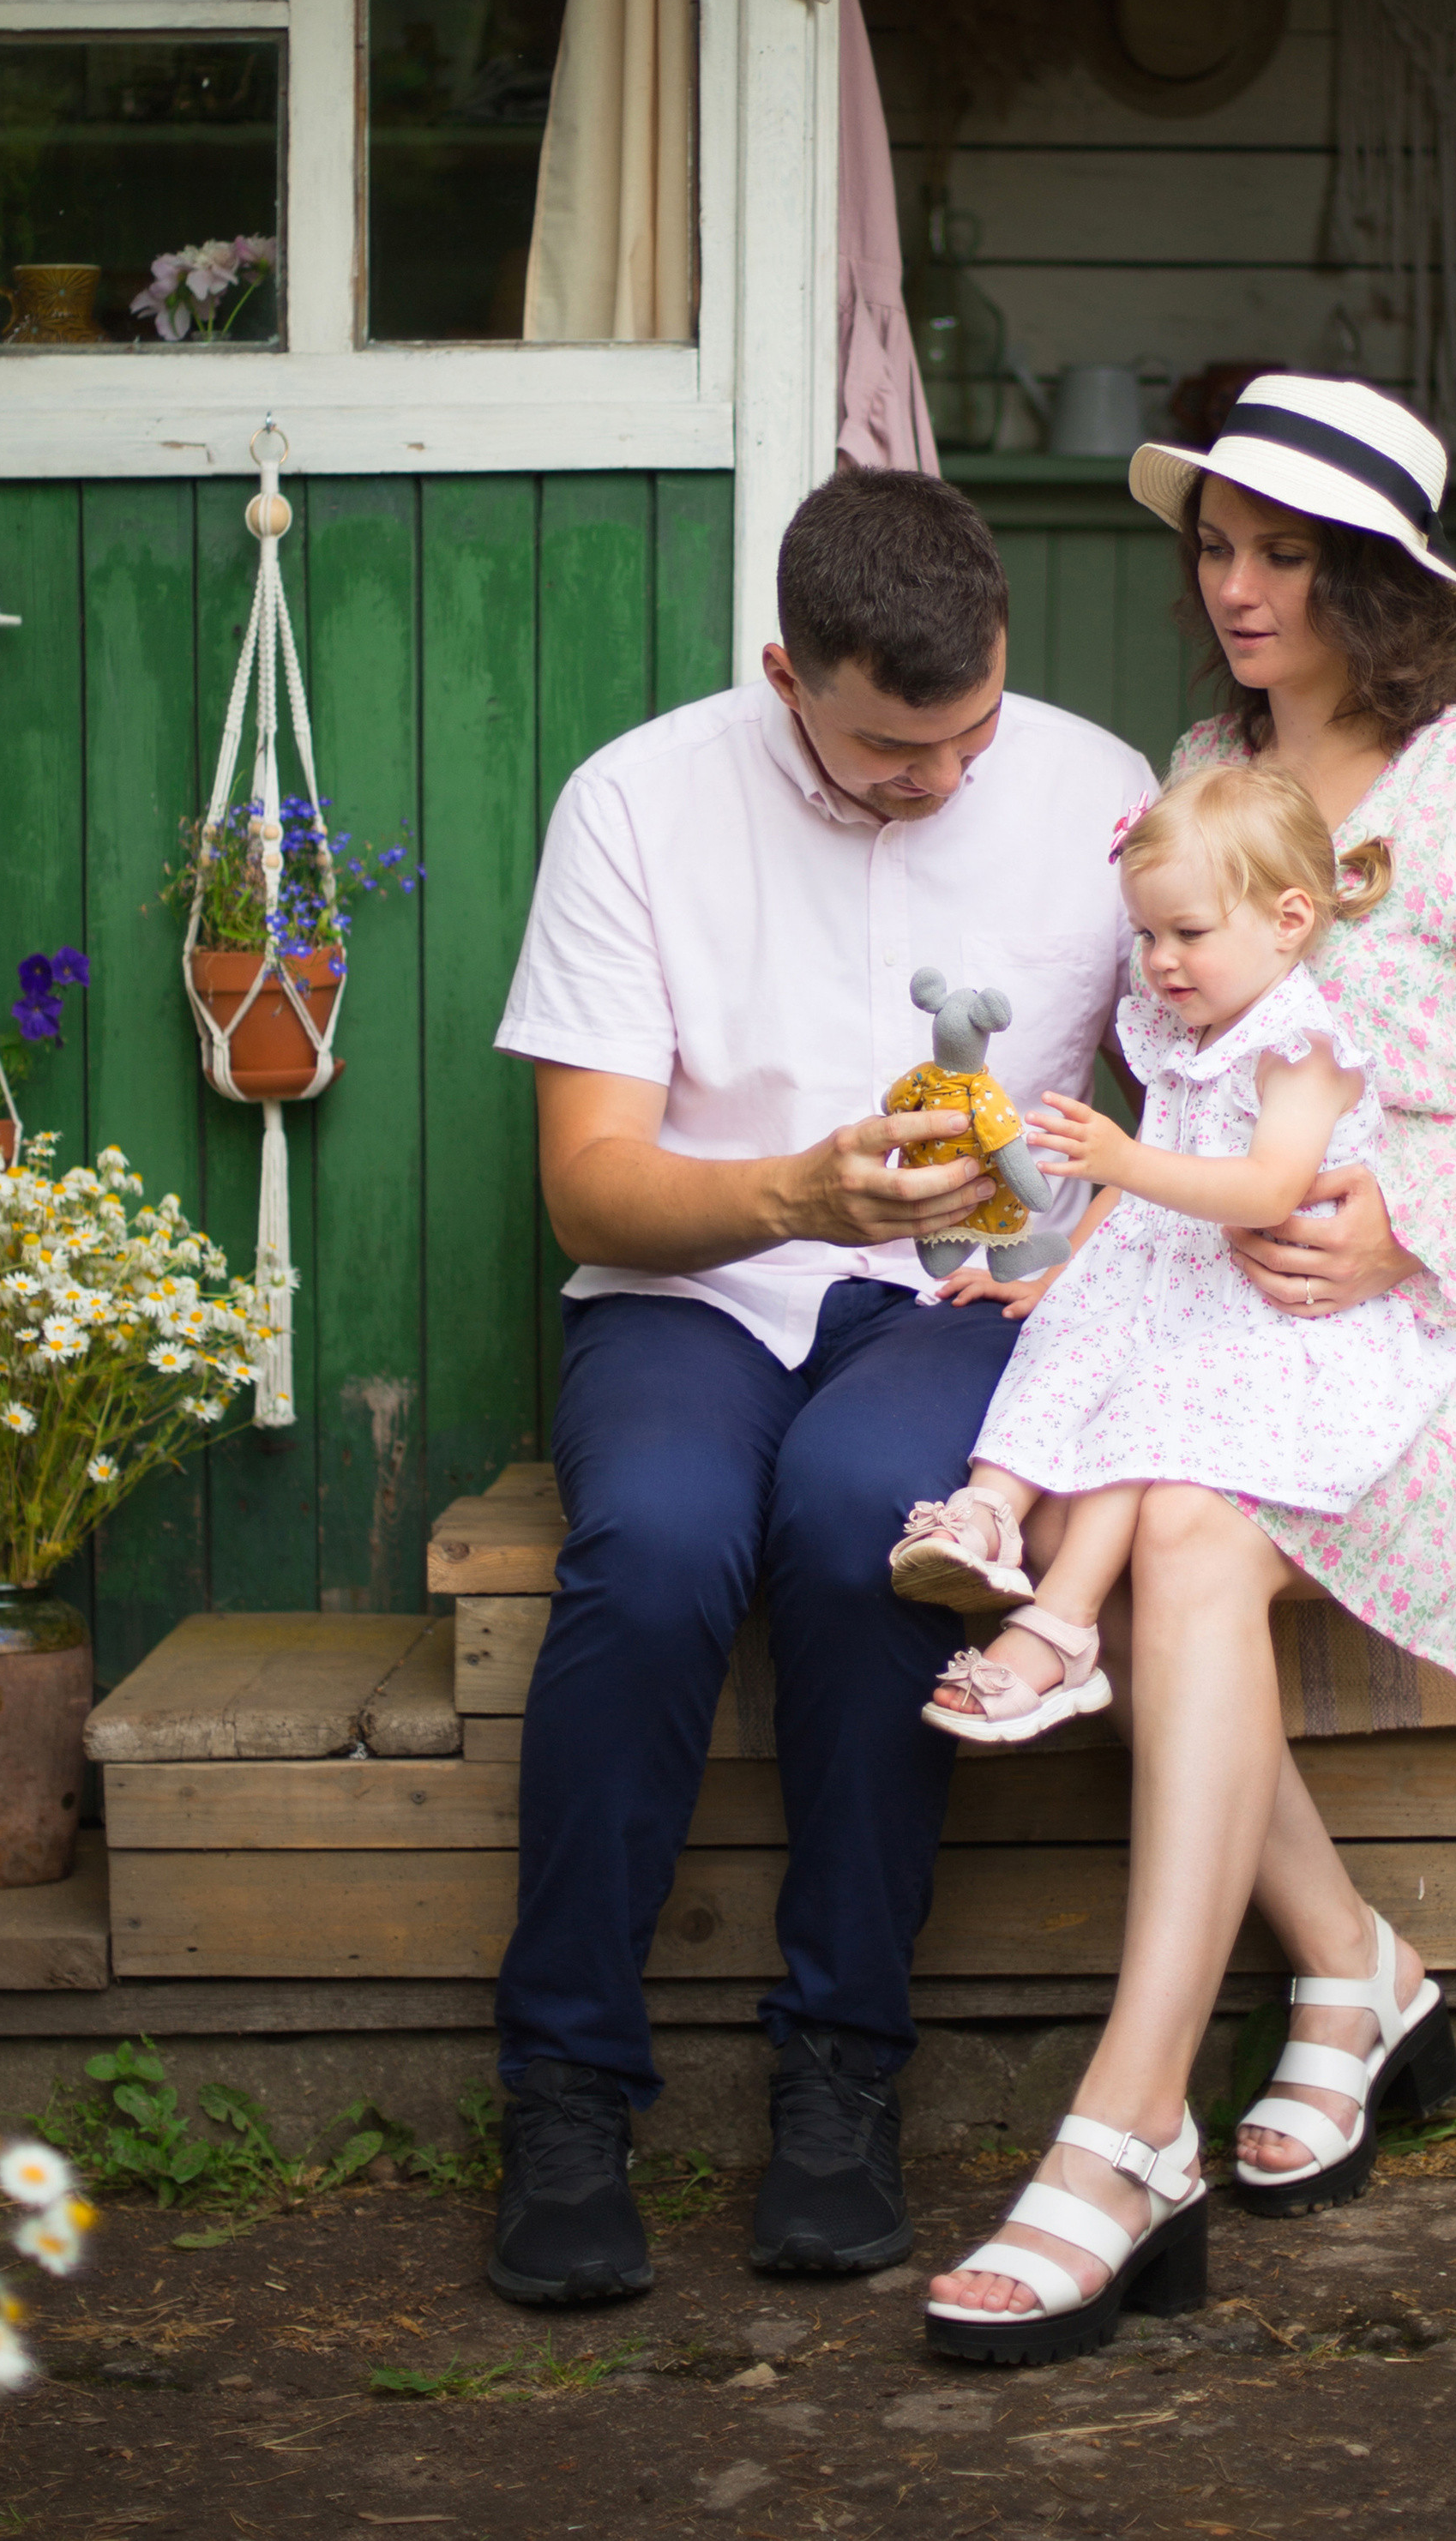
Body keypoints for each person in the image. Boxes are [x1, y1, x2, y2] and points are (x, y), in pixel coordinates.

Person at [924, 376, 1456, 2365]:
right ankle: (1342, 1965)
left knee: (1178, 1525)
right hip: (1218, 1308)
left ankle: (1125, 2123)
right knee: (1152, 1497)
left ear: (1375, 581)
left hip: (1453, 1335)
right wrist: (1068, 1244)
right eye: (1216, 548)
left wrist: (1403, 1214)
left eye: (1281, 554)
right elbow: (1167, 1066)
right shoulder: (1205, 767)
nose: (1233, 586)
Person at [486, 467, 1153, 2309]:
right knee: (653, 1543)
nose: (939, 777)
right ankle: (565, 2091)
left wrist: (1077, 1244)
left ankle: (841, 2073)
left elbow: (1196, 1102)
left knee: (877, 1523)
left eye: (969, 734)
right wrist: (794, 1193)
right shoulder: (637, 801)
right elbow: (587, 1183)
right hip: (692, 1287)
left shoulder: (1098, 793)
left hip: (968, 1301)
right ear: (785, 671)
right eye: (887, 747)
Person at [890, 763, 1456, 1749]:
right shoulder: (1188, 1029)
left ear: (1288, 920)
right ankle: (985, 1511)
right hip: (1180, 1276)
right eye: (1146, 934)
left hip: (1269, 1305)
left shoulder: (1303, 1048)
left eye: (1187, 933)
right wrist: (1058, 1265)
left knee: (1150, 1404)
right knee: (1066, 1343)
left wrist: (1121, 1157)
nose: (1160, 960)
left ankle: (1060, 1627)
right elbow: (1144, 1190)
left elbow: (1266, 1188)